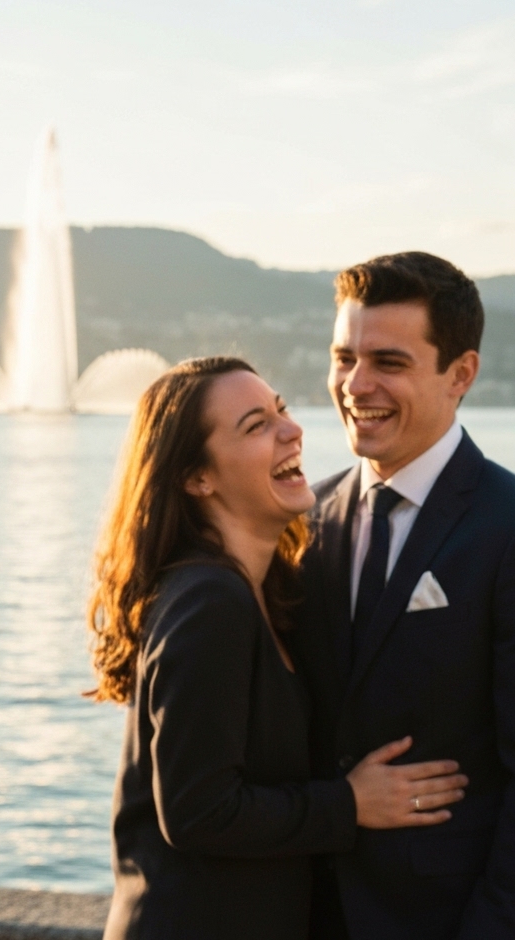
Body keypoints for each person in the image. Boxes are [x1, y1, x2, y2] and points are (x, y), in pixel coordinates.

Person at [89, 357, 467, 940]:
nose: (291, 430)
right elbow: (197, 812)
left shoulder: (265, 590)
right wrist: (349, 804)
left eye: (282, 410)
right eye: (255, 425)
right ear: (198, 478)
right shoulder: (209, 603)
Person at [293, 252, 515, 940]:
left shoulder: (507, 527)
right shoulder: (304, 518)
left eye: (388, 362)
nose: (356, 385)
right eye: (343, 357)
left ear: (461, 376)